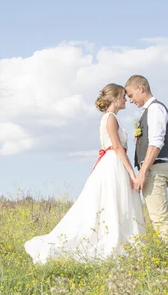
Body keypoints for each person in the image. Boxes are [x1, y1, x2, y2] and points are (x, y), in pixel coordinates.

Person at [24, 84, 145, 264]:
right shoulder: (110, 118)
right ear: (114, 98)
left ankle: (119, 238)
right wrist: (132, 173)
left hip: (112, 162)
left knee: (113, 202)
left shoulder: (109, 118)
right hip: (114, 163)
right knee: (113, 201)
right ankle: (114, 240)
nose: (125, 99)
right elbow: (118, 147)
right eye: (122, 96)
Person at [124, 75, 168, 241]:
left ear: (140, 88)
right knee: (157, 218)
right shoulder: (148, 111)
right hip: (153, 169)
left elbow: (155, 143)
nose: (130, 100)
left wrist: (143, 172)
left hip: (154, 169)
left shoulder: (155, 109)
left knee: (160, 219)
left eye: (131, 95)